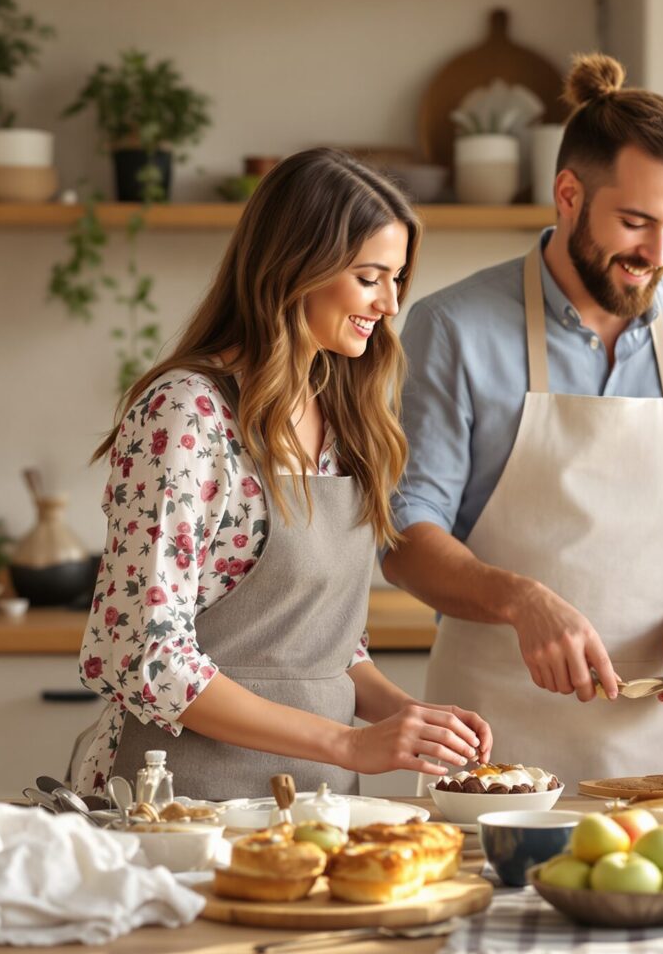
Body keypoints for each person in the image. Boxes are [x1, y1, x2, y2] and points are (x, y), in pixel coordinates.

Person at [71, 148, 492, 799]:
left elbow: (325, 650)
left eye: (397, 278)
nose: (389, 303)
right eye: (370, 277)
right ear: (297, 267)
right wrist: (348, 743)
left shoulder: (347, 416)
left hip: (317, 803)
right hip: (180, 807)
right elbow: (144, 656)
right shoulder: (187, 412)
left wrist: (410, 718)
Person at [382, 54, 663, 781]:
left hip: (656, 741)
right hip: (490, 743)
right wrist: (520, 600)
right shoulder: (454, 327)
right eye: (635, 223)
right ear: (568, 195)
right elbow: (405, 535)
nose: (657, 254)